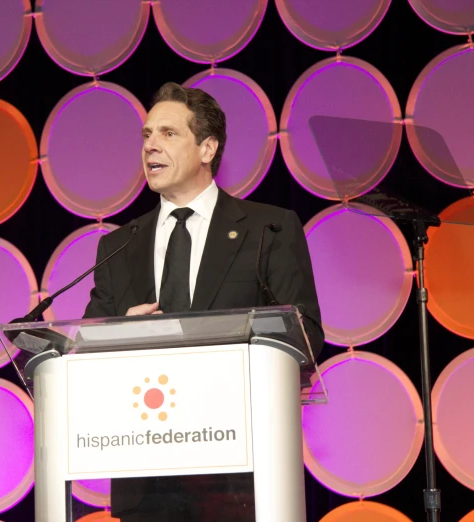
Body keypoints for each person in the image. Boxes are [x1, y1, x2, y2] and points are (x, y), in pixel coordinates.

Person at [82, 82, 324, 521]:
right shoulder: (119, 245)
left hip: (240, 476)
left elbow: (304, 333)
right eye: (146, 135)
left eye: (168, 134)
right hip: (146, 480)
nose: (151, 145)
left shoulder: (267, 230)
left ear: (208, 148)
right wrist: (118, 335)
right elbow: (82, 352)